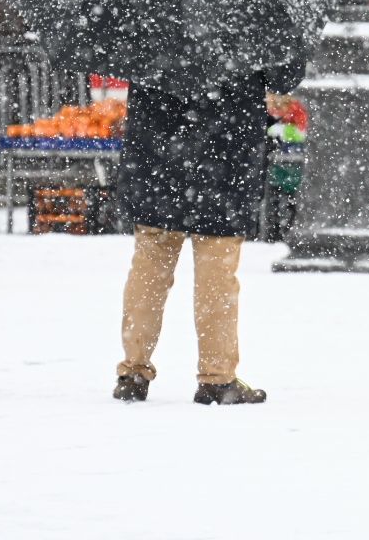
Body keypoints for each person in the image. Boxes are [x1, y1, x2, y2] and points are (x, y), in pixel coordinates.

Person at [112, 58, 303, 405]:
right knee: (218, 266)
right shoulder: (248, 10)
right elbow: (284, 73)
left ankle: (133, 370)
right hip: (225, 150)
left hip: (157, 147)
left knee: (151, 261)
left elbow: (126, 56)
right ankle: (217, 378)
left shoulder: (150, 8)